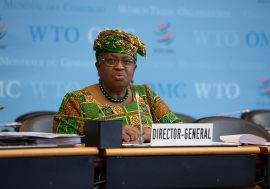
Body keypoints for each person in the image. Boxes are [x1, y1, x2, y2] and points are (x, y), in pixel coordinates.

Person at [53, 29, 182, 143]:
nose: (119, 66)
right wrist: (110, 135)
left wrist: (147, 133)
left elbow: (181, 133)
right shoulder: (77, 101)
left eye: (127, 61)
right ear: (98, 67)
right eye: (111, 60)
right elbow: (63, 147)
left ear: (134, 69)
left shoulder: (145, 94)